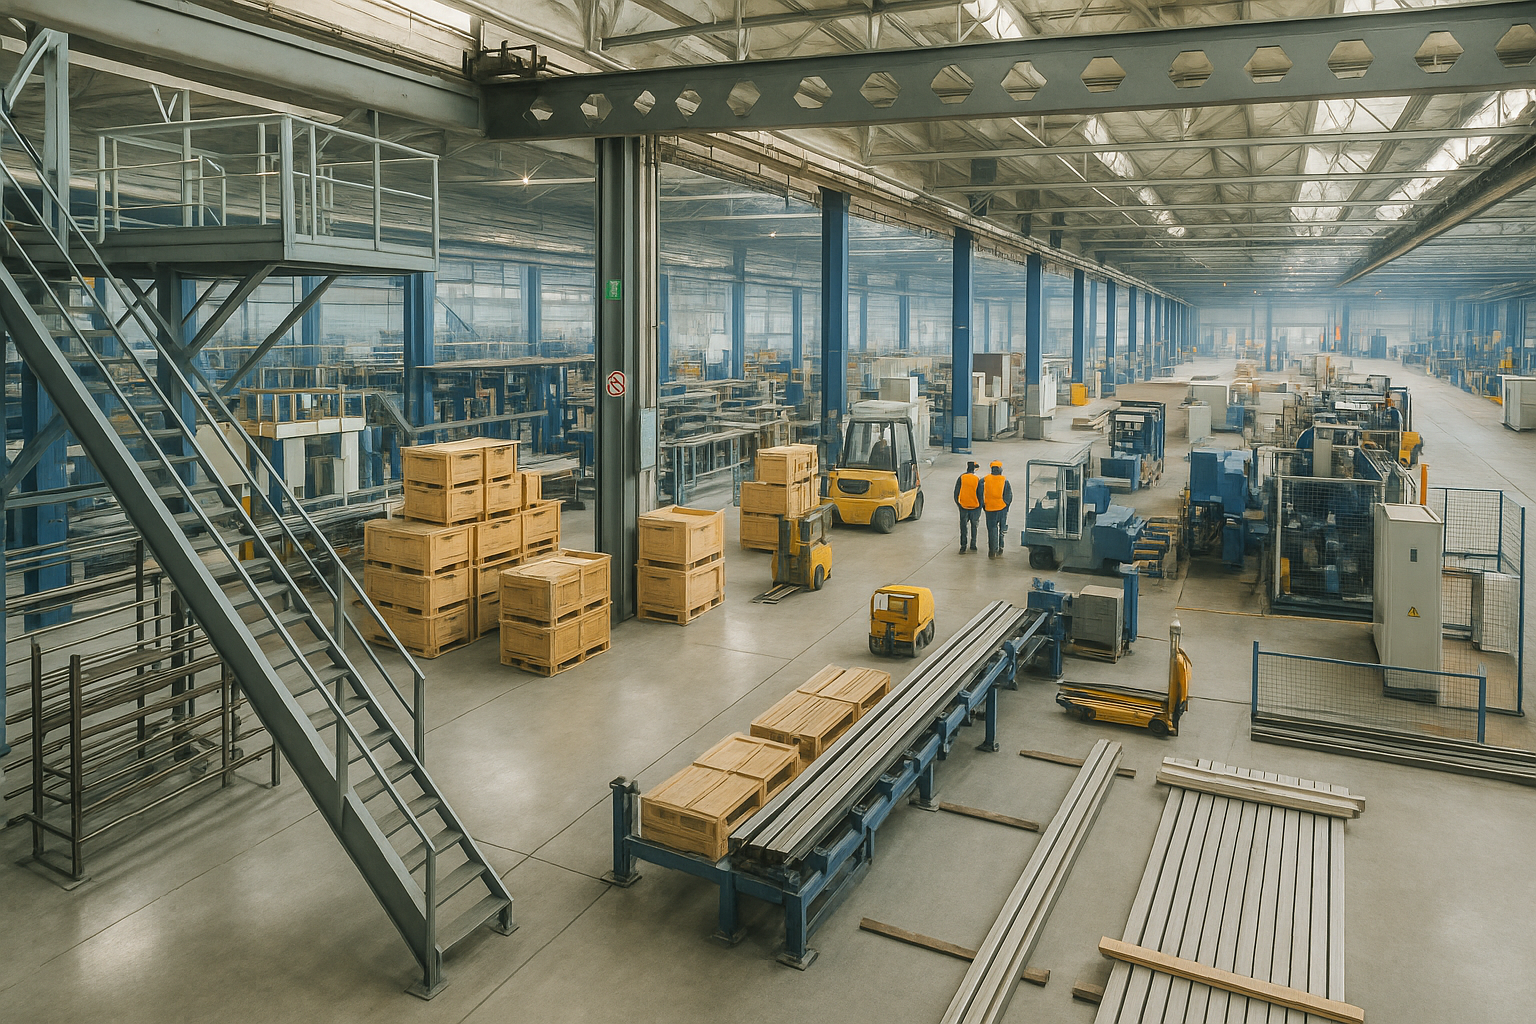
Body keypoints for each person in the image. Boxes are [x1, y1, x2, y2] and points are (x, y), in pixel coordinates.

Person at [982, 459, 1013, 559]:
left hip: (989, 509)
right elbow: (1009, 496)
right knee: (1001, 529)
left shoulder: (984, 480)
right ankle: (1000, 548)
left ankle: (992, 551)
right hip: (1001, 508)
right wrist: (1005, 506)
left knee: (992, 530)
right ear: (1000, 469)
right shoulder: (1005, 480)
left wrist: (984, 506)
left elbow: (979, 494)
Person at [953, 460, 982, 553]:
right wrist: (980, 506)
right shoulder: (977, 479)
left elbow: (956, 492)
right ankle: (973, 545)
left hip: (963, 507)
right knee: (974, 526)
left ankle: (963, 546)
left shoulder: (961, 477)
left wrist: (959, 504)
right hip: (975, 507)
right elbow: (981, 494)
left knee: (963, 527)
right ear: (974, 469)